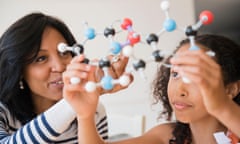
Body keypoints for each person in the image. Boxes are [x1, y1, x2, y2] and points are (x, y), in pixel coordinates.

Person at [63, 34, 240, 144]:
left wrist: (222, 107)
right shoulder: (167, 137)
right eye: (175, 74)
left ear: (231, 89)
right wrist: (85, 115)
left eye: (194, 78)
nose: (180, 90)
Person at [0, 12, 129, 143]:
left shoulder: (95, 112)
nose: (59, 67)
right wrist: (73, 103)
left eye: (64, 52)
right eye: (41, 58)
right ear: (19, 70)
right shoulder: (3, 111)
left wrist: (83, 111)